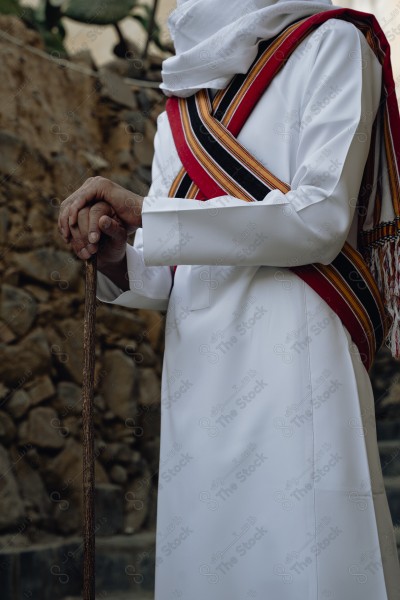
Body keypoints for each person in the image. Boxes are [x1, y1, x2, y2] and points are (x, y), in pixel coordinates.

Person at [59, 1, 400, 598]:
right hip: (200, 382)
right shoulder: (185, 92)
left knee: (309, 559)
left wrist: (149, 215)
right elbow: (169, 266)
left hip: (300, 364)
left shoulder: (334, 44)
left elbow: (321, 217)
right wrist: (119, 254)